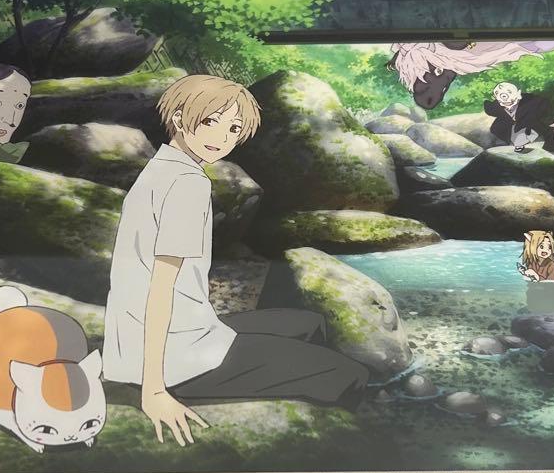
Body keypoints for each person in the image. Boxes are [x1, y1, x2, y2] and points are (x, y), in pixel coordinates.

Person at [102, 74, 370, 447]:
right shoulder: (187, 185)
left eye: (233, 129)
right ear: (179, 118)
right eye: (210, 121)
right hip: (178, 362)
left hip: (173, 337)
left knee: (308, 324)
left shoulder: (163, 167)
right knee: (351, 375)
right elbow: (158, 288)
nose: (221, 137)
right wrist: (155, 391)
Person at [484, 82, 546, 152]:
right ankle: (514, 142)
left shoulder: (529, 103)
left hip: (529, 125)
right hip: (511, 126)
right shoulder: (496, 107)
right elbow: (490, 110)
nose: (503, 96)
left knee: (526, 134)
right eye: (497, 93)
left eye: (509, 92)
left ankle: (523, 140)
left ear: (518, 94)